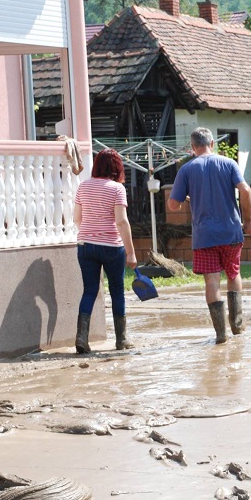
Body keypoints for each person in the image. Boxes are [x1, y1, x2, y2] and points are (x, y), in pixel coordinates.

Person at [167, 127, 251, 344]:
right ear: (212, 143)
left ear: (192, 147)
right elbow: (245, 191)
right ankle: (236, 324)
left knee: (212, 282)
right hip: (231, 232)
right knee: (233, 275)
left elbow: (173, 206)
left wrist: (182, 198)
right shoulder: (229, 164)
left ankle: (220, 334)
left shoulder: (186, 170)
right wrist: (248, 220)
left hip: (204, 236)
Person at [73, 148, 137, 353]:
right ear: (117, 167)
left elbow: (77, 219)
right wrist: (131, 252)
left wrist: (90, 234)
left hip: (85, 245)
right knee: (117, 291)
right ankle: (122, 340)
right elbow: (122, 222)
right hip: (112, 247)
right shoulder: (117, 189)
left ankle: (82, 338)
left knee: (89, 290)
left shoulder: (83, 187)